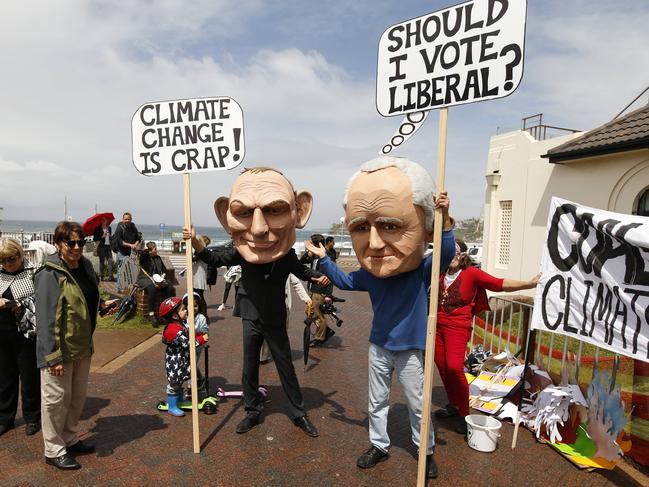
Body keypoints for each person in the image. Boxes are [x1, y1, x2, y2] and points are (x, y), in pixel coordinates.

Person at [304, 156, 456, 479]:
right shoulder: (371, 275)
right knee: (376, 401)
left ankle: (425, 450)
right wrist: (325, 260)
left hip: (411, 347)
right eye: (362, 228)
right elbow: (345, 281)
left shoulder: (419, 271)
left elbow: (445, 252)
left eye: (389, 226)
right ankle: (379, 444)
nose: (375, 242)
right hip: (379, 346)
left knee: (418, 403)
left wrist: (445, 220)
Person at [184, 166, 328, 438]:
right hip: (251, 314)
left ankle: (299, 413)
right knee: (249, 366)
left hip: (274, 317)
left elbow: (302, 271)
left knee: (285, 365)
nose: (259, 228)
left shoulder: (285, 255)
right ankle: (251, 409)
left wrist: (319, 276)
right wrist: (196, 243)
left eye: (273, 210)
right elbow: (214, 260)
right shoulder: (240, 253)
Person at [35, 221, 118, 470]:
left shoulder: (85, 266)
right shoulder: (49, 273)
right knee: (55, 400)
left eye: (80, 242)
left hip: (82, 345)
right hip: (59, 350)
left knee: (76, 398)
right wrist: (53, 356)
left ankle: (70, 438)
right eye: (70, 242)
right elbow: (46, 320)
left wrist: (101, 306)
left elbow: (87, 295)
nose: (76, 247)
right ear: (58, 244)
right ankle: (53, 449)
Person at [434, 240, 540, 434]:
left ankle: (464, 413)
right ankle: (453, 404)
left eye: (457, 253)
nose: (453, 257)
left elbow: (499, 284)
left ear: (463, 255)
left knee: (454, 367)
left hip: (458, 327)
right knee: (442, 367)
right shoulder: (439, 271)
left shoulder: (471, 273)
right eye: (449, 252)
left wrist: (528, 283)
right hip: (437, 326)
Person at [0, 238, 40, 437]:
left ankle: (32, 417)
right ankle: (5, 418)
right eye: (4, 261)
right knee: (5, 379)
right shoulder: (0, 275)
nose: (8, 264)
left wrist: (18, 304)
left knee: (29, 377)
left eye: (11, 259)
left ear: (20, 255)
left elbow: (39, 300)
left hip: (25, 334)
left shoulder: (33, 273)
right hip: (2, 334)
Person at [160, 297, 207, 417]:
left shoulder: (178, 325)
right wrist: (201, 339)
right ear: (175, 316)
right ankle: (172, 406)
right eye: (183, 309)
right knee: (174, 383)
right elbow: (188, 344)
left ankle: (179, 401)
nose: (186, 310)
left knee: (179, 381)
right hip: (175, 361)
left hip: (181, 360)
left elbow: (187, 334)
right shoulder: (173, 330)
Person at [259, 274, 312, 363]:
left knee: (283, 330)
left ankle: (281, 354)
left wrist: (306, 298)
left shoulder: (287, 262)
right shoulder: (266, 262)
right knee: (266, 331)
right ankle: (263, 356)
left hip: (284, 303)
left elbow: (296, 282)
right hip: (268, 303)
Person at [300, 234, 335, 345]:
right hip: (312, 288)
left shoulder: (326, 256)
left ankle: (320, 338)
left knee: (317, 314)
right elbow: (301, 261)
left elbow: (330, 276)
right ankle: (325, 330)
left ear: (316, 244)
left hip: (320, 290)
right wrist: (308, 252)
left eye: (311, 243)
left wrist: (328, 295)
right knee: (309, 311)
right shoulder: (315, 255)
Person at [136, 242, 175, 323]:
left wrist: (162, 278)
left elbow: (164, 270)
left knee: (170, 288)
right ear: (150, 251)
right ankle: (151, 314)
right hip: (145, 277)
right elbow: (141, 252)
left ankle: (167, 311)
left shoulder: (158, 258)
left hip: (157, 278)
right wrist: (146, 249)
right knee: (152, 288)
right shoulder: (145, 257)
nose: (157, 250)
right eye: (155, 249)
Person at [182, 292, 209, 398]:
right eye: (190, 305)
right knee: (189, 363)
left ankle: (191, 387)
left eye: (196, 306)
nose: (193, 308)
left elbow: (205, 331)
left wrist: (194, 329)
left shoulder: (201, 318)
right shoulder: (184, 316)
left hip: (197, 344)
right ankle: (200, 379)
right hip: (186, 344)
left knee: (191, 364)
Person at [113, 212, 140, 293]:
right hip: (122, 252)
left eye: (129, 219)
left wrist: (135, 244)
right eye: (126, 219)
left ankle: (128, 288)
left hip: (131, 253)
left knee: (131, 271)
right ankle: (119, 288)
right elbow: (119, 241)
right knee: (121, 270)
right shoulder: (119, 228)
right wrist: (130, 245)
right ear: (122, 219)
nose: (127, 220)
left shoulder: (133, 227)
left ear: (131, 219)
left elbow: (138, 238)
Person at [92, 217, 114, 281]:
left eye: (105, 220)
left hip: (108, 246)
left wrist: (110, 236)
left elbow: (110, 238)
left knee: (110, 261)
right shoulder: (97, 228)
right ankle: (101, 276)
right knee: (102, 262)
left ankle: (110, 276)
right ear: (101, 221)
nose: (104, 221)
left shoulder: (109, 228)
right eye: (102, 220)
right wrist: (102, 236)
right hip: (101, 247)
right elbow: (95, 239)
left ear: (107, 221)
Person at [192, 236, 211, 301]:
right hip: (199, 274)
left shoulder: (202, 251)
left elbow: (195, 259)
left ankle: (202, 309)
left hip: (199, 275)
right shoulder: (204, 250)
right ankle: (201, 308)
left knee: (198, 295)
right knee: (198, 294)